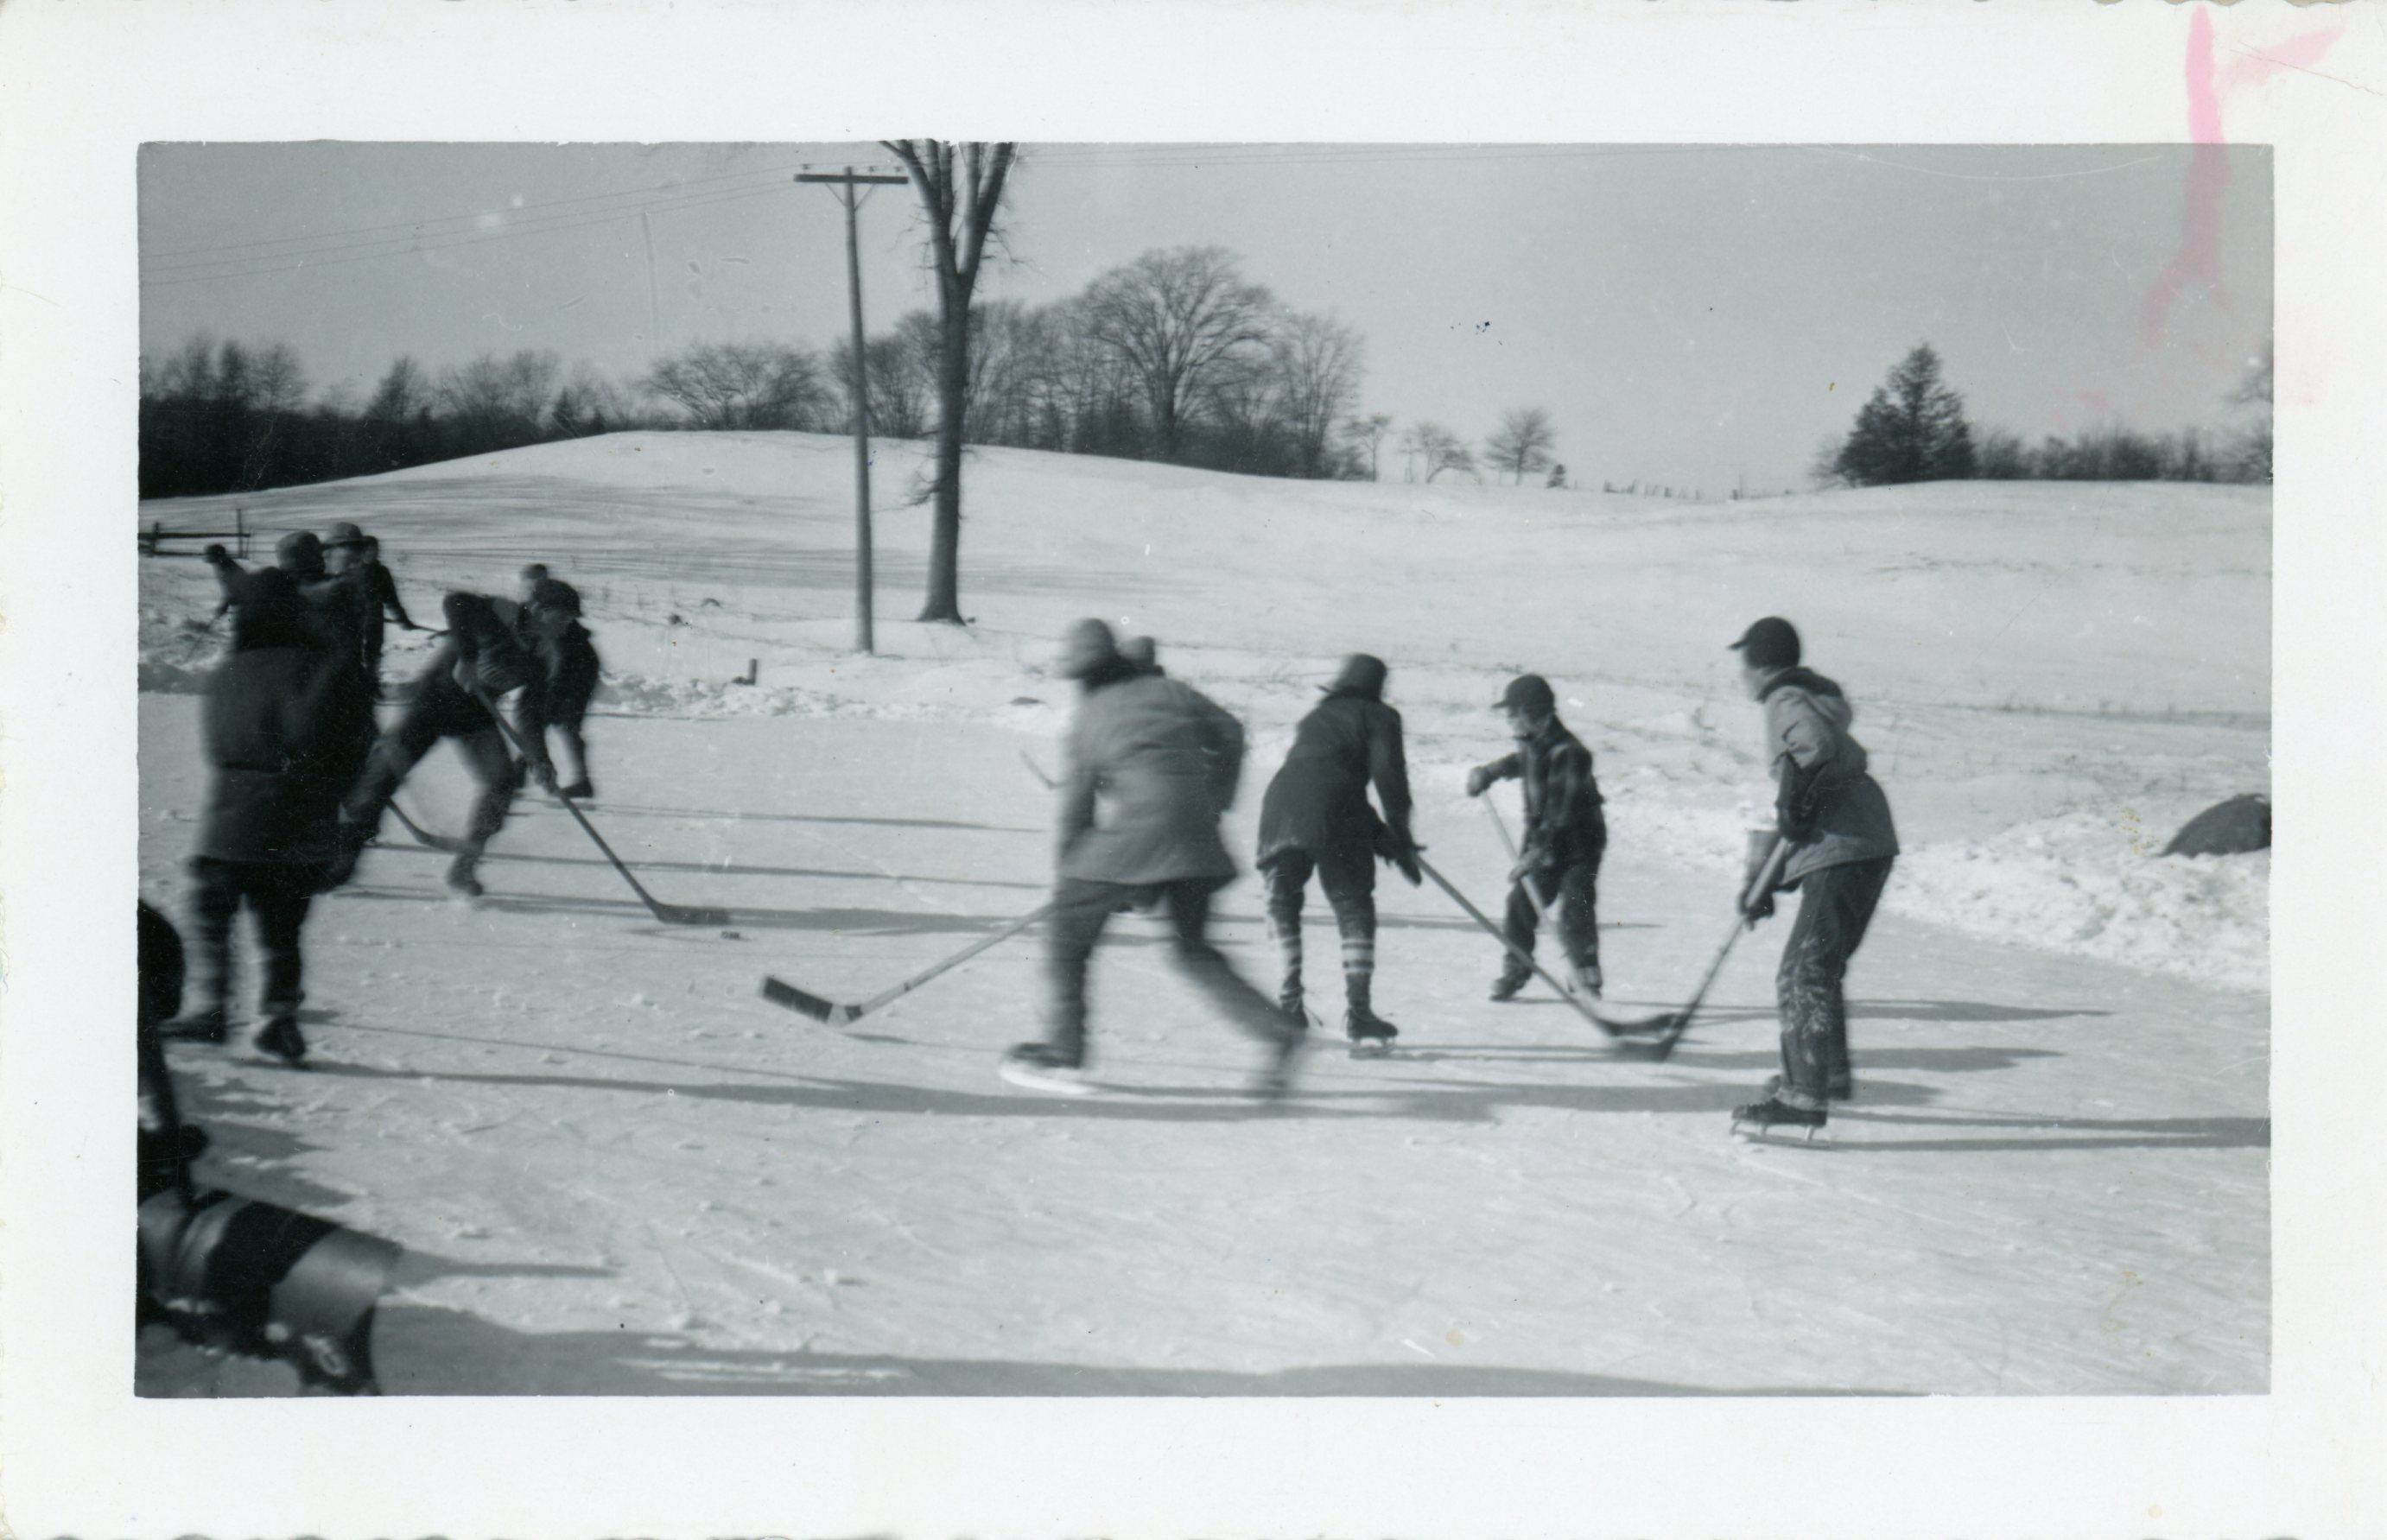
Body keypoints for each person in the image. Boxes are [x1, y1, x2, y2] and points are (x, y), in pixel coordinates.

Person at [1004, 618, 1304, 1098]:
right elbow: (1231, 730)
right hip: (1197, 838)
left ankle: (1063, 1053)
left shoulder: (1088, 720)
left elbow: (1076, 811)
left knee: (1067, 939)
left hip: (1137, 840)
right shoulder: (1170, 692)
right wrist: (1217, 796)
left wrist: (1076, 881)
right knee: (1193, 951)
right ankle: (1280, 1033)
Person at [160, 568, 376, 1065]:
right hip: (303, 814)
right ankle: (279, 1018)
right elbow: (355, 747)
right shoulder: (330, 666)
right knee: (282, 922)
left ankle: (213, 1005)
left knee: (214, 912)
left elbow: (217, 746)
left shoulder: (226, 672)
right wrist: (339, 802)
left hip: (231, 813)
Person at [1724, 617, 1900, 1138]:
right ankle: (1831, 1073)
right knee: (1819, 966)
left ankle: (1803, 1095)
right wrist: (1765, 882)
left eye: (1744, 665)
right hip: (1864, 842)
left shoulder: (1785, 699)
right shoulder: (1811, 695)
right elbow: (1799, 818)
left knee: (1802, 973)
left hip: (1845, 848)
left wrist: (1794, 798)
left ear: (1760, 666)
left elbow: (1815, 750)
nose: (1742, 677)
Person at [325, 590, 555, 899]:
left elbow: (530, 713)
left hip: (475, 715)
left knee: (501, 782)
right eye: (561, 615)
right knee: (383, 775)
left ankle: (465, 866)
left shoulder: (543, 654)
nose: (564, 625)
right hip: (432, 703)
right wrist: (468, 658)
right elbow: (456, 601)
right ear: (539, 608)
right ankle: (342, 861)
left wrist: (539, 758)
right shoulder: (502, 615)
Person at [1255, 652, 1420, 1049]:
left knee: (1283, 900)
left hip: (1279, 806)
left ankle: (1288, 1005)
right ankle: (1360, 1013)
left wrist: (1383, 836)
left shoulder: (1316, 718)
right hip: (1338, 810)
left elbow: (1323, 779)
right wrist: (1399, 836)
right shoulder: (1380, 717)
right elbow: (1388, 782)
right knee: (1353, 904)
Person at [1464, 673, 1607, 998]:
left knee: (1576, 907)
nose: (1509, 720)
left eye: (1514, 713)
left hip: (1578, 846)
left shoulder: (1570, 753)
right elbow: (1522, 762)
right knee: (1520, 903)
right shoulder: (1534, 744)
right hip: (1544, 842)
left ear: (1535, 713)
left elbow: (1560, 813)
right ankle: (1515, 970)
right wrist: (1490, 772)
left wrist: (1534, 853)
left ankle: (1586, 979)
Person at [522, 577, 601, 800]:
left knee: (563, 723)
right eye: (564, 616)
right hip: (566, 669)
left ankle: (582, 781)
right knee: (543, 720)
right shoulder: (535, 620)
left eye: (570, 618)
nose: (567, 622)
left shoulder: (561, 643)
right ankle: (524, 770)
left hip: (579, 672)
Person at [324, 525, 417, 693]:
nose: (372, 554)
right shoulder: (350, 573)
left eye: (376, 550)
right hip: (356, 620)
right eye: (369, 550)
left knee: (373, 654)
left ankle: (371, 685)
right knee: (353, 653)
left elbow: (391, 599)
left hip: (375, 619)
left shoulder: (382, 573)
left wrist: (403, 620)